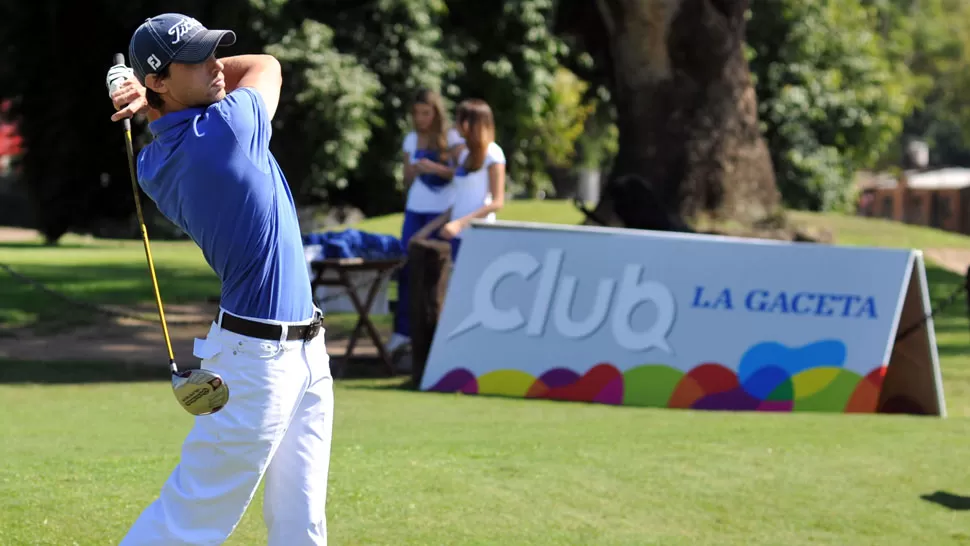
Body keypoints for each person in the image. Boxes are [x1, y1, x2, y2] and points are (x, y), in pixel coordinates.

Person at [106, 13, 333, 545]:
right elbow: (266, 65)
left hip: (299, 350)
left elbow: (197, 95)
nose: (215, 65)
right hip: (258, 363)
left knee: (302, 523)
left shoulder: (154, 162)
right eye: (198, 59)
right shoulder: (227, 130)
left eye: (215, 52)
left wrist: (152, 95)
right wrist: (149, 92)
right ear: (159, 80)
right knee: (189, 521)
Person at [389, 88, 464, 356]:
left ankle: (443, 333)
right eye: (416, 113)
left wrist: (435, 168)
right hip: (416, 208)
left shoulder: (452, 138)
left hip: (442, 212)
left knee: (441, 270)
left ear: (436, 112)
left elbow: (462, 173)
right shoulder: (411, 139)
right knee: (408, 266)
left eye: (426, 113)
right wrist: (412, 170)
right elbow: (408, 178)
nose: (421, 119)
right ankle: (403, 331)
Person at [413, 98, 506, 262]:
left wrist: (459, 224)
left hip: (478, 236)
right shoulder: (465, 155)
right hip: (457, 237)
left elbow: (497, 202)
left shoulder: (494, 154)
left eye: (459, 120)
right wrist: (427, 229)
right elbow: (460, 201)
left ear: (471, 124)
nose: (455, 125)